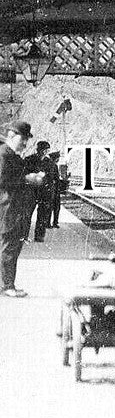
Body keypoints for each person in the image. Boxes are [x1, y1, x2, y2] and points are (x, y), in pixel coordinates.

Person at [0, 121, 43, 296]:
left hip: (13, 209)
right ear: (11, 135)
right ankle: (8, 287)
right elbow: (2, 181)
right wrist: (27, 179)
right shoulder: (4, 155)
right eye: (22, 138)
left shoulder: (12, 155)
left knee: (11, 247)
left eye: (26, 139)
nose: (25, 143)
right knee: (9, 248)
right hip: (8, 209)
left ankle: (7, 285)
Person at [31, 142, 57, 242]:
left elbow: (52, 178)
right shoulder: (29, 160)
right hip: (31, 191)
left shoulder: (50, 163)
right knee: (26, 215)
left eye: (46, 150)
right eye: (43, 149)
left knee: (42, 215)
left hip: (44, 192)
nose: (45, 152)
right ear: (38, 149)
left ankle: (39, 236)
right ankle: (23, 235)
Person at [47, 152, 64, 227]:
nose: (58, 159)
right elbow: (55, 178)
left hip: (53, 189)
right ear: (55, 158)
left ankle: (49, 223)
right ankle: (54, 223)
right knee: (55, 207)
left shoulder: (51, 165)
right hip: (53, 190)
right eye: (58, 158)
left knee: (52, 207)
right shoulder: (53, 166)